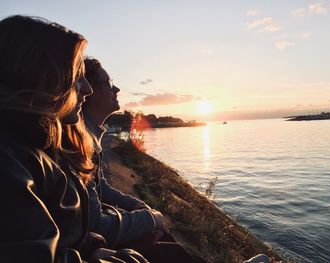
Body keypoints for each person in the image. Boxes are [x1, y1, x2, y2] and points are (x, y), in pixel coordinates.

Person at [0, 15, 146, 263]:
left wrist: (91, 250)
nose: (86, 90)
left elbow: (56, 237)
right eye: (77, 75)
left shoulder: (37, 145)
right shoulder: (10, 159)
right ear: (41, 76)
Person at [82, 57, 204, 262]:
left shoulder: (90, 136)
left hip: (91, 240)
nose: (117, 89)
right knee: (167, 250)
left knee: (163, 239)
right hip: (91, 243)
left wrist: (141, 206)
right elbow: (96, 223)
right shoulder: (78, 140)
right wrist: (149, 218)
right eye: (109, 83)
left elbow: (100, 187)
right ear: (88, 92)